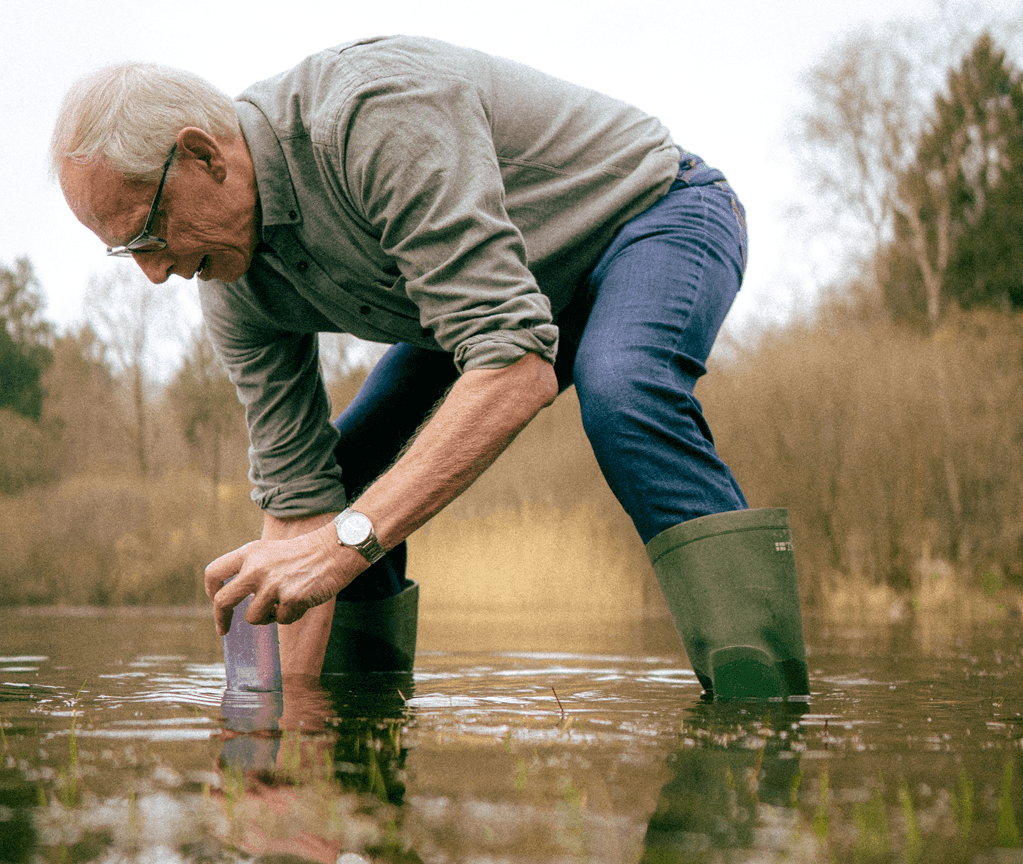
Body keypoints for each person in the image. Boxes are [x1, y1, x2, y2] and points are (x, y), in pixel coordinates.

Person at [51, 35, 808, 700]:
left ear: (202, 155)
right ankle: (352, 739)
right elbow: (298, 500)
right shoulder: (231, 284)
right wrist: (269, 729)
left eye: (147, 232)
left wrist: (345, 544)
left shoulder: (371, 116)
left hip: (654, 217)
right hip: (504, 298)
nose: (153, 273)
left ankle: (762, 707)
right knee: (345, 475)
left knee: (622, 388)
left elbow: (513, 365)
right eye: (128, 252)